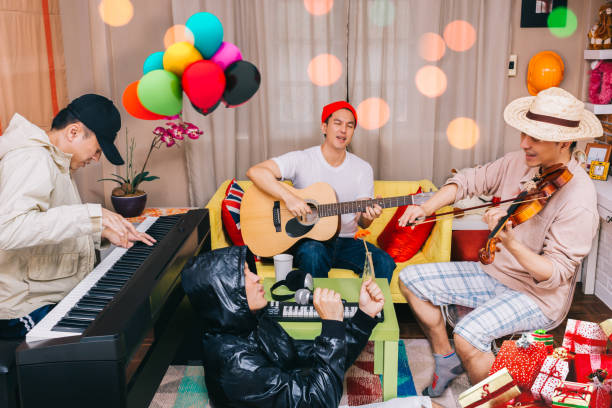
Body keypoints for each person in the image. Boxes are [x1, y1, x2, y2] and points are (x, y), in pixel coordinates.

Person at [397, 87, 601, 395]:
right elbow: (467, 181)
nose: (524, 144)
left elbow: (554, 274)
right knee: (410, 279)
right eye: (523, 134)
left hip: (537, 296)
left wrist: (512, 242)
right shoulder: (520, 163)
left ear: (563, 141)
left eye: (535, 138)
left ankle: (499, 401)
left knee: (467, 334)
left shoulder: (580, 199)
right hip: (494, 272)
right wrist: (426, 207)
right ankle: (446, 358)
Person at [0, 94, 155, 339]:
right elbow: (8, 230)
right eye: (96, 149)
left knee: (124, 317)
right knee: (110, 336)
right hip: (24, 308)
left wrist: (100, 231)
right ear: (73, 132)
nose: (96, 158)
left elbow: (50, 224)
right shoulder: (31, 158)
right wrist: (90, 216)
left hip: (48, 295)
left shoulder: (56, 161)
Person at [181, 245, 387, 407]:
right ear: (224, 293)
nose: (257, 277)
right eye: (244, 275)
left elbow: (305, 355)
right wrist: (332, 326)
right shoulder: (237, 365)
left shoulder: (253, 324)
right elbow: (319, 402)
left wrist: (364, 316)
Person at [246, 101, 396, 282]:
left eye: (350, 126)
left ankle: (368, 310)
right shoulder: (302, 159)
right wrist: (290, 198)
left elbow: (362, 222)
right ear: (324, 127)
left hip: (347, 242)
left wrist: (369, 216)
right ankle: (316, 308)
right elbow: (255, 172)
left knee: (384, 262)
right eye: (338, 123)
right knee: (313, 254)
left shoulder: (363, 168)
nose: (343, 130)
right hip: (310, 241)